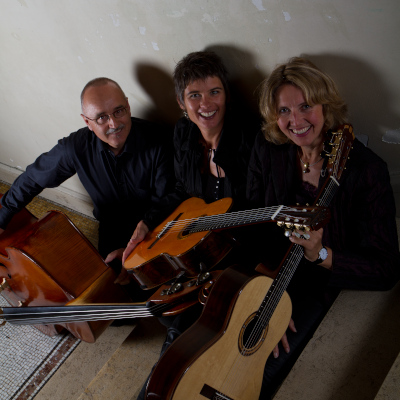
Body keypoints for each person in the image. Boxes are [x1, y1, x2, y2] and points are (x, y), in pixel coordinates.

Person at [247, 57, 400, 398]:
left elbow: (387, 269)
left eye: (305, 106)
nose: (296, 121)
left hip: (316, 284)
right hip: (269, 273)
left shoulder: (366, 171)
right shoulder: (269, 149)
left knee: (259, 369)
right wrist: (263, 291)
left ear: (325, 106)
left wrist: (320, 253)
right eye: (284, 111)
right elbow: (254, 221)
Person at [135, 50, 258, 400]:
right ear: (180, 102)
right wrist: (147, 222)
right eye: (194, 95)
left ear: (226, 94)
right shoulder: (183, 133)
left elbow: (258, 204)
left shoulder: (250, 136)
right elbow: (179, 191)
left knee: (191, 316)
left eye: (214, 92)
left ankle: (161, 389)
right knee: (166, 302)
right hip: (199, 248)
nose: (206, 104)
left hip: (241, 245)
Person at [0, 77, 176, 295]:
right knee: (110, 295)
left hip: (155, 228)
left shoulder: (159, 139)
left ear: (128, 107)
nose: (114, 124)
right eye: (102, 117)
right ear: (87, 122)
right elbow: (33, 178)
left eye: (119, 111)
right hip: (113, 230)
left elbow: (167, 202)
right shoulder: (76, 147)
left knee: (162, 287)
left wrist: (137, 250)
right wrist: (3, 216)